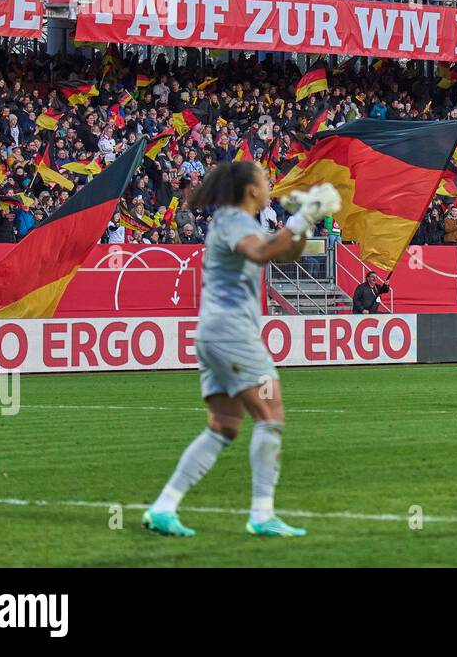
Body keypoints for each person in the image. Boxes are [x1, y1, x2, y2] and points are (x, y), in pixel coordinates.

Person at [142, 161, 339, 538]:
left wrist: (304, 221)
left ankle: (163, 508)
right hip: (233, 334)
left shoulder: (239, 223)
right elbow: (262, 253)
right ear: (251, 190)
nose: (269, 186)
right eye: (264, 181)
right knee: (271, 414)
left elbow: (285, 253)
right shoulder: (233, 220)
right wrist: (301, 219)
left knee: (225, 426)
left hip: (215, 333)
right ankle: (262, 515)